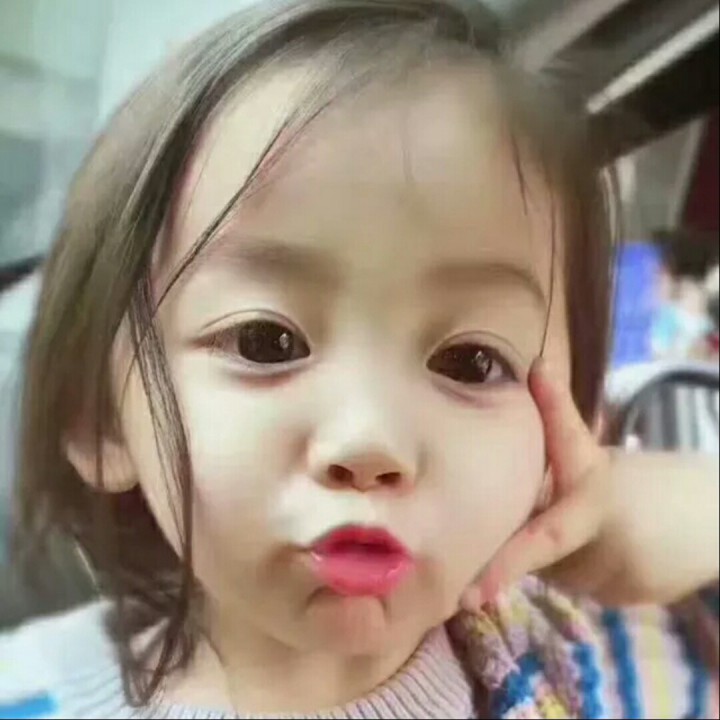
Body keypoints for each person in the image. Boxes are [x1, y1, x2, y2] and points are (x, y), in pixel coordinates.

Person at [1, 1, 717, 717]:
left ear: (560, 441)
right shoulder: (29, 695)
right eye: (265, 343)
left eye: (471, 362)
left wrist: (666, 514)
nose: (372, 443)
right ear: (102, 415)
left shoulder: (593, 656)